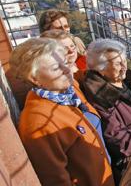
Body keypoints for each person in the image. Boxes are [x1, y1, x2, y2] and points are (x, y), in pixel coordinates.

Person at [12, 38, 114, 186]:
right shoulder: (38, 124)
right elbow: (54, 180)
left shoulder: (67, 92)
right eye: (56, 68)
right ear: (34, 78)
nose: (66, 70)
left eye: (65, 63)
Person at [81, 39, 131, 182]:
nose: (124, 67)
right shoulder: (101, 98)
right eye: (117, 63)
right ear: (100, 69)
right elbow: (120, 142)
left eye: (124, 60)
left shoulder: (125, 79)